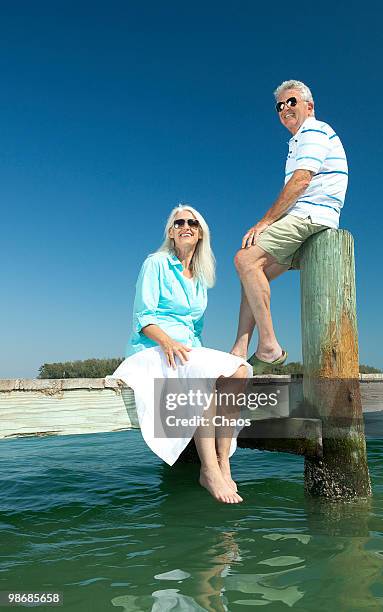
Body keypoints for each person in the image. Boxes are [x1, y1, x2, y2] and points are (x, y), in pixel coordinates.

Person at [109, 204, 252, 504]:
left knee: (238, 370)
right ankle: (208, 471)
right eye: (179, 223)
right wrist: (168, 343)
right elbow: (143, 318)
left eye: (192, 223)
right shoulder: (155, 263)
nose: (186, 226)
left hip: (186, 350)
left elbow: (195, 328)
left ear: (200, 234)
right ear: (171, 233)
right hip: (152, 349)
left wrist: (204, 356)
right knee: (204, 373)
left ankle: (223, 462)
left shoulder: (200, 278)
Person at [230, 79, 348, 374]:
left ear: (310, 106)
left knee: (245, 259)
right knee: (253, 273)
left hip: (311, 214)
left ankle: (268, 347)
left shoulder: (314, 131)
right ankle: (240, 350)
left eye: (291, 101)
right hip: (310, 214)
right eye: (280, 105)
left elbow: (301, 181)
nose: (285, 108)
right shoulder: (298, 140)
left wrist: (266, 221)